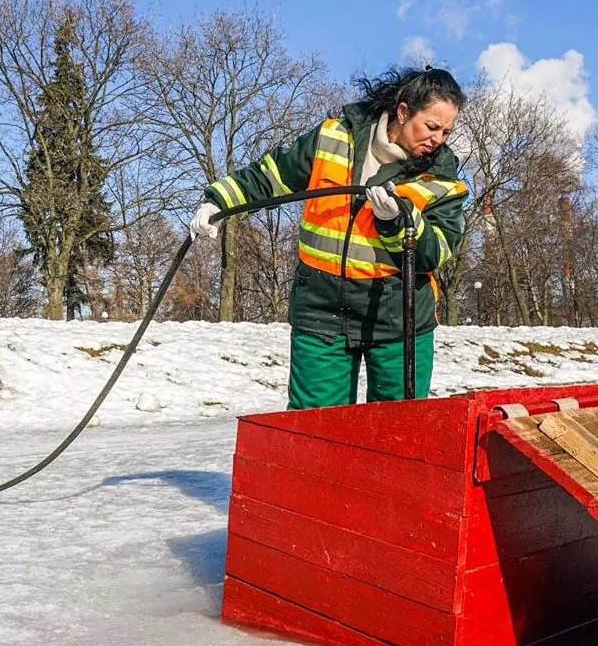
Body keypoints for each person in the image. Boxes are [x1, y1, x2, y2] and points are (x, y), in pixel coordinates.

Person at [190, 67, 468, 410]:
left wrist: (398, 221)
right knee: (316, 427)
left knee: (395, 434)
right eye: (431, 126)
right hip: (321, 308)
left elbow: (435, 253)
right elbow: (270, 176)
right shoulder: (333, 137)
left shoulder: (442, 179)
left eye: (446, 131)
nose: (438, 139)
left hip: (397, 316)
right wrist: (217, 202)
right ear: (403, 111)